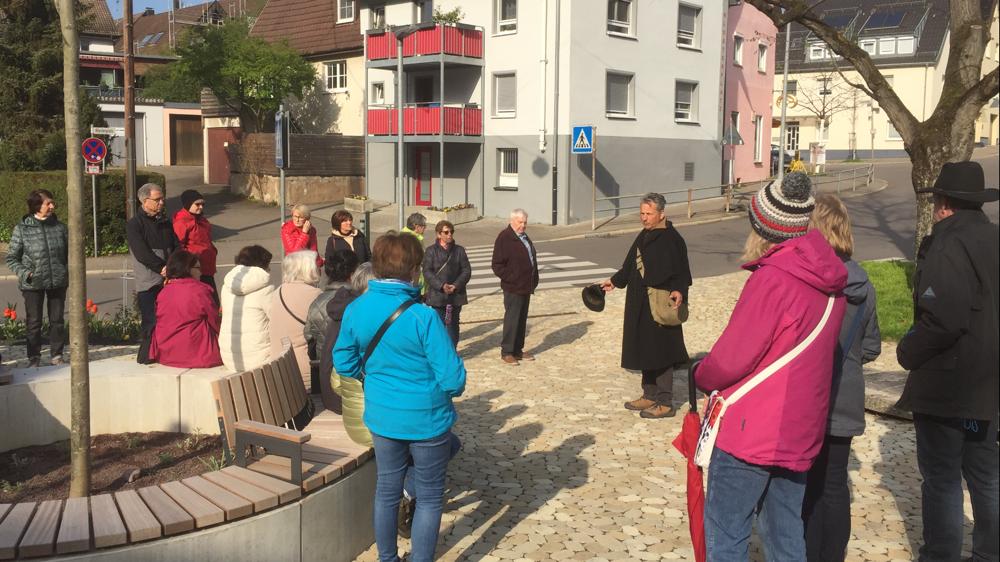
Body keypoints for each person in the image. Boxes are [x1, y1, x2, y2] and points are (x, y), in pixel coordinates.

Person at [694, 172, 847, 560]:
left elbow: (732, 357)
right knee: (785, 532)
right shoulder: (831, 284)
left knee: (727, 532)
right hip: (799, 429)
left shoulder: (774, 279)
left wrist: (701, 374)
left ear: (762, 225)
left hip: (752, 431)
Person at [333, 232, 465, 562]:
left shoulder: (357, 308)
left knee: (387, 491)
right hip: (427, 419)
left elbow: (344, 362)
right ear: (414, 269)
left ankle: (387, 558)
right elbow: (453, 379)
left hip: (382, 415)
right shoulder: (424, 316)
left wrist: (374, 378)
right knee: (431, 496)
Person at [896, 161, 999, 562]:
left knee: (942, 478)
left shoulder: (946, 243)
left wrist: (908, 351)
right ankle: (990, 552)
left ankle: (940, 555)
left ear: (943, 204)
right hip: (987, 382)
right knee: (985, 474)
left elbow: (944, 317)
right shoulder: (993, 239)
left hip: (947, 382)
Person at [802, 193, 882, 562]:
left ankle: (801, 549)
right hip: (845, 395)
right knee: (834, 485)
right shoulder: (864, 285)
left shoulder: (809, 278)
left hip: (807, 397)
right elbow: (871, 347)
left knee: (802, 483)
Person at [600, 193, 691, 419]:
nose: (644, 218)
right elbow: (631, 264)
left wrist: (679, 290)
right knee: (644, 348)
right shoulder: (645, 235)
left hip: (660, 302)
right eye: (642, 213)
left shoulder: (672, 239)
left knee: (661, 352)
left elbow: (682, 272)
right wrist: (615, 281)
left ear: (661, 214)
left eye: (648, 214)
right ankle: (649, 395)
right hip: (639, 301)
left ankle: (665, 402)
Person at [4, 189, 68, 367]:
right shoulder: (22, 229)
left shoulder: (60, 227)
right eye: (48, 203)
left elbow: (69, 254)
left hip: (57, 281)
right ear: (36, 206)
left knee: (57, 321)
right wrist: (26, 273)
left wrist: (64, 271)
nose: (52, 206)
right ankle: (34, 358)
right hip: (33, 283)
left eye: (52, 203)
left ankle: (57, 355)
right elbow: (11, 258)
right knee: (34, 322)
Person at [127, 183, 178, 364]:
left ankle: (167, 352)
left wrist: (176, 266)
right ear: (144, 200)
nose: (161, 203)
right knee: (151, 320)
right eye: (157, 200)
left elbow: (175, 246)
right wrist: (161, 268)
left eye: (162, 199)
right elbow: (142, 252)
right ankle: (147, 355)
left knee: (170, 318)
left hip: (169, 278)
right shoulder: (135, 224)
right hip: (149, 280)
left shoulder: (164, 222)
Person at [327, 262, 376, 444]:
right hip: (377, 428)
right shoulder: (374, 319)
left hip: (353, 427)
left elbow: (337, 383)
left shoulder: (345, 313)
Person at [149, 250, 222, 368]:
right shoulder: (200, 290)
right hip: (198, 354)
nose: (201, 272)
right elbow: (214, 321)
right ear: (188, 269)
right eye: (198, 268)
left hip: (167, 354)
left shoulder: (163, 292)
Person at [305, 249, 360, 406]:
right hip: (349, 386)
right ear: (352, 273)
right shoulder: (357, 302)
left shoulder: (316, 303)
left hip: (325, 379)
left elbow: (310, 341)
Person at [491, 209, 539, 365]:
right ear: (512, 221)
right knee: (512, 319)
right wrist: (513, 278)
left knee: (521, 319)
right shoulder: (504, 238)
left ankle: (518, 350)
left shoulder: (524, 237)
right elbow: (497, 265)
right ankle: (507, 351)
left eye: (525, 222)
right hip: (513, 287)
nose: (523, 225)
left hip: (526, 285)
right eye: (520, 222)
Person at [270, 250, 322, 389]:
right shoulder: (315, 295)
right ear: (307, 270)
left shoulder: (277, 291)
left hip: (280, 367)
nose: (319, 269)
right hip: (306, 374)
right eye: (316, 266)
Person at [219, 245, 275, 372]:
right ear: (261, 265)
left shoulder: (226, 286)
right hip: (259, 360)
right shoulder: (266, 289)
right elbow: (277, 320)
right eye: (267, 265)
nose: (270, 268)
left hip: (229, 357)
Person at [422, 220, 472, 347]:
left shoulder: (459, 250)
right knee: (438, 325)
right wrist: (441, 285)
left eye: (451, 232)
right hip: (438, 295)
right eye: (446, 232)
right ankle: (441, 352)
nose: (449, 234)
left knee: (453, 325)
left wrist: (455, 285)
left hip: (456, 294)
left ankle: (452, 351)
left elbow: (466, 270)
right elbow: (427, 271)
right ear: (439, 234)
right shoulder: (430, 251)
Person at [172, 189, 219, 295]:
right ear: (188, 204)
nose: (201, 207)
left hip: (207, 268)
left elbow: (206, 239)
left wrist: (213, 250)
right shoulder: (182, 222)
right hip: (195, 269)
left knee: (212, 302)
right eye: (197, 204)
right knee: (204, 300)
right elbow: (179, 246)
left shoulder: (201, 220)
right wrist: (189, 264)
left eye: (202, 204)